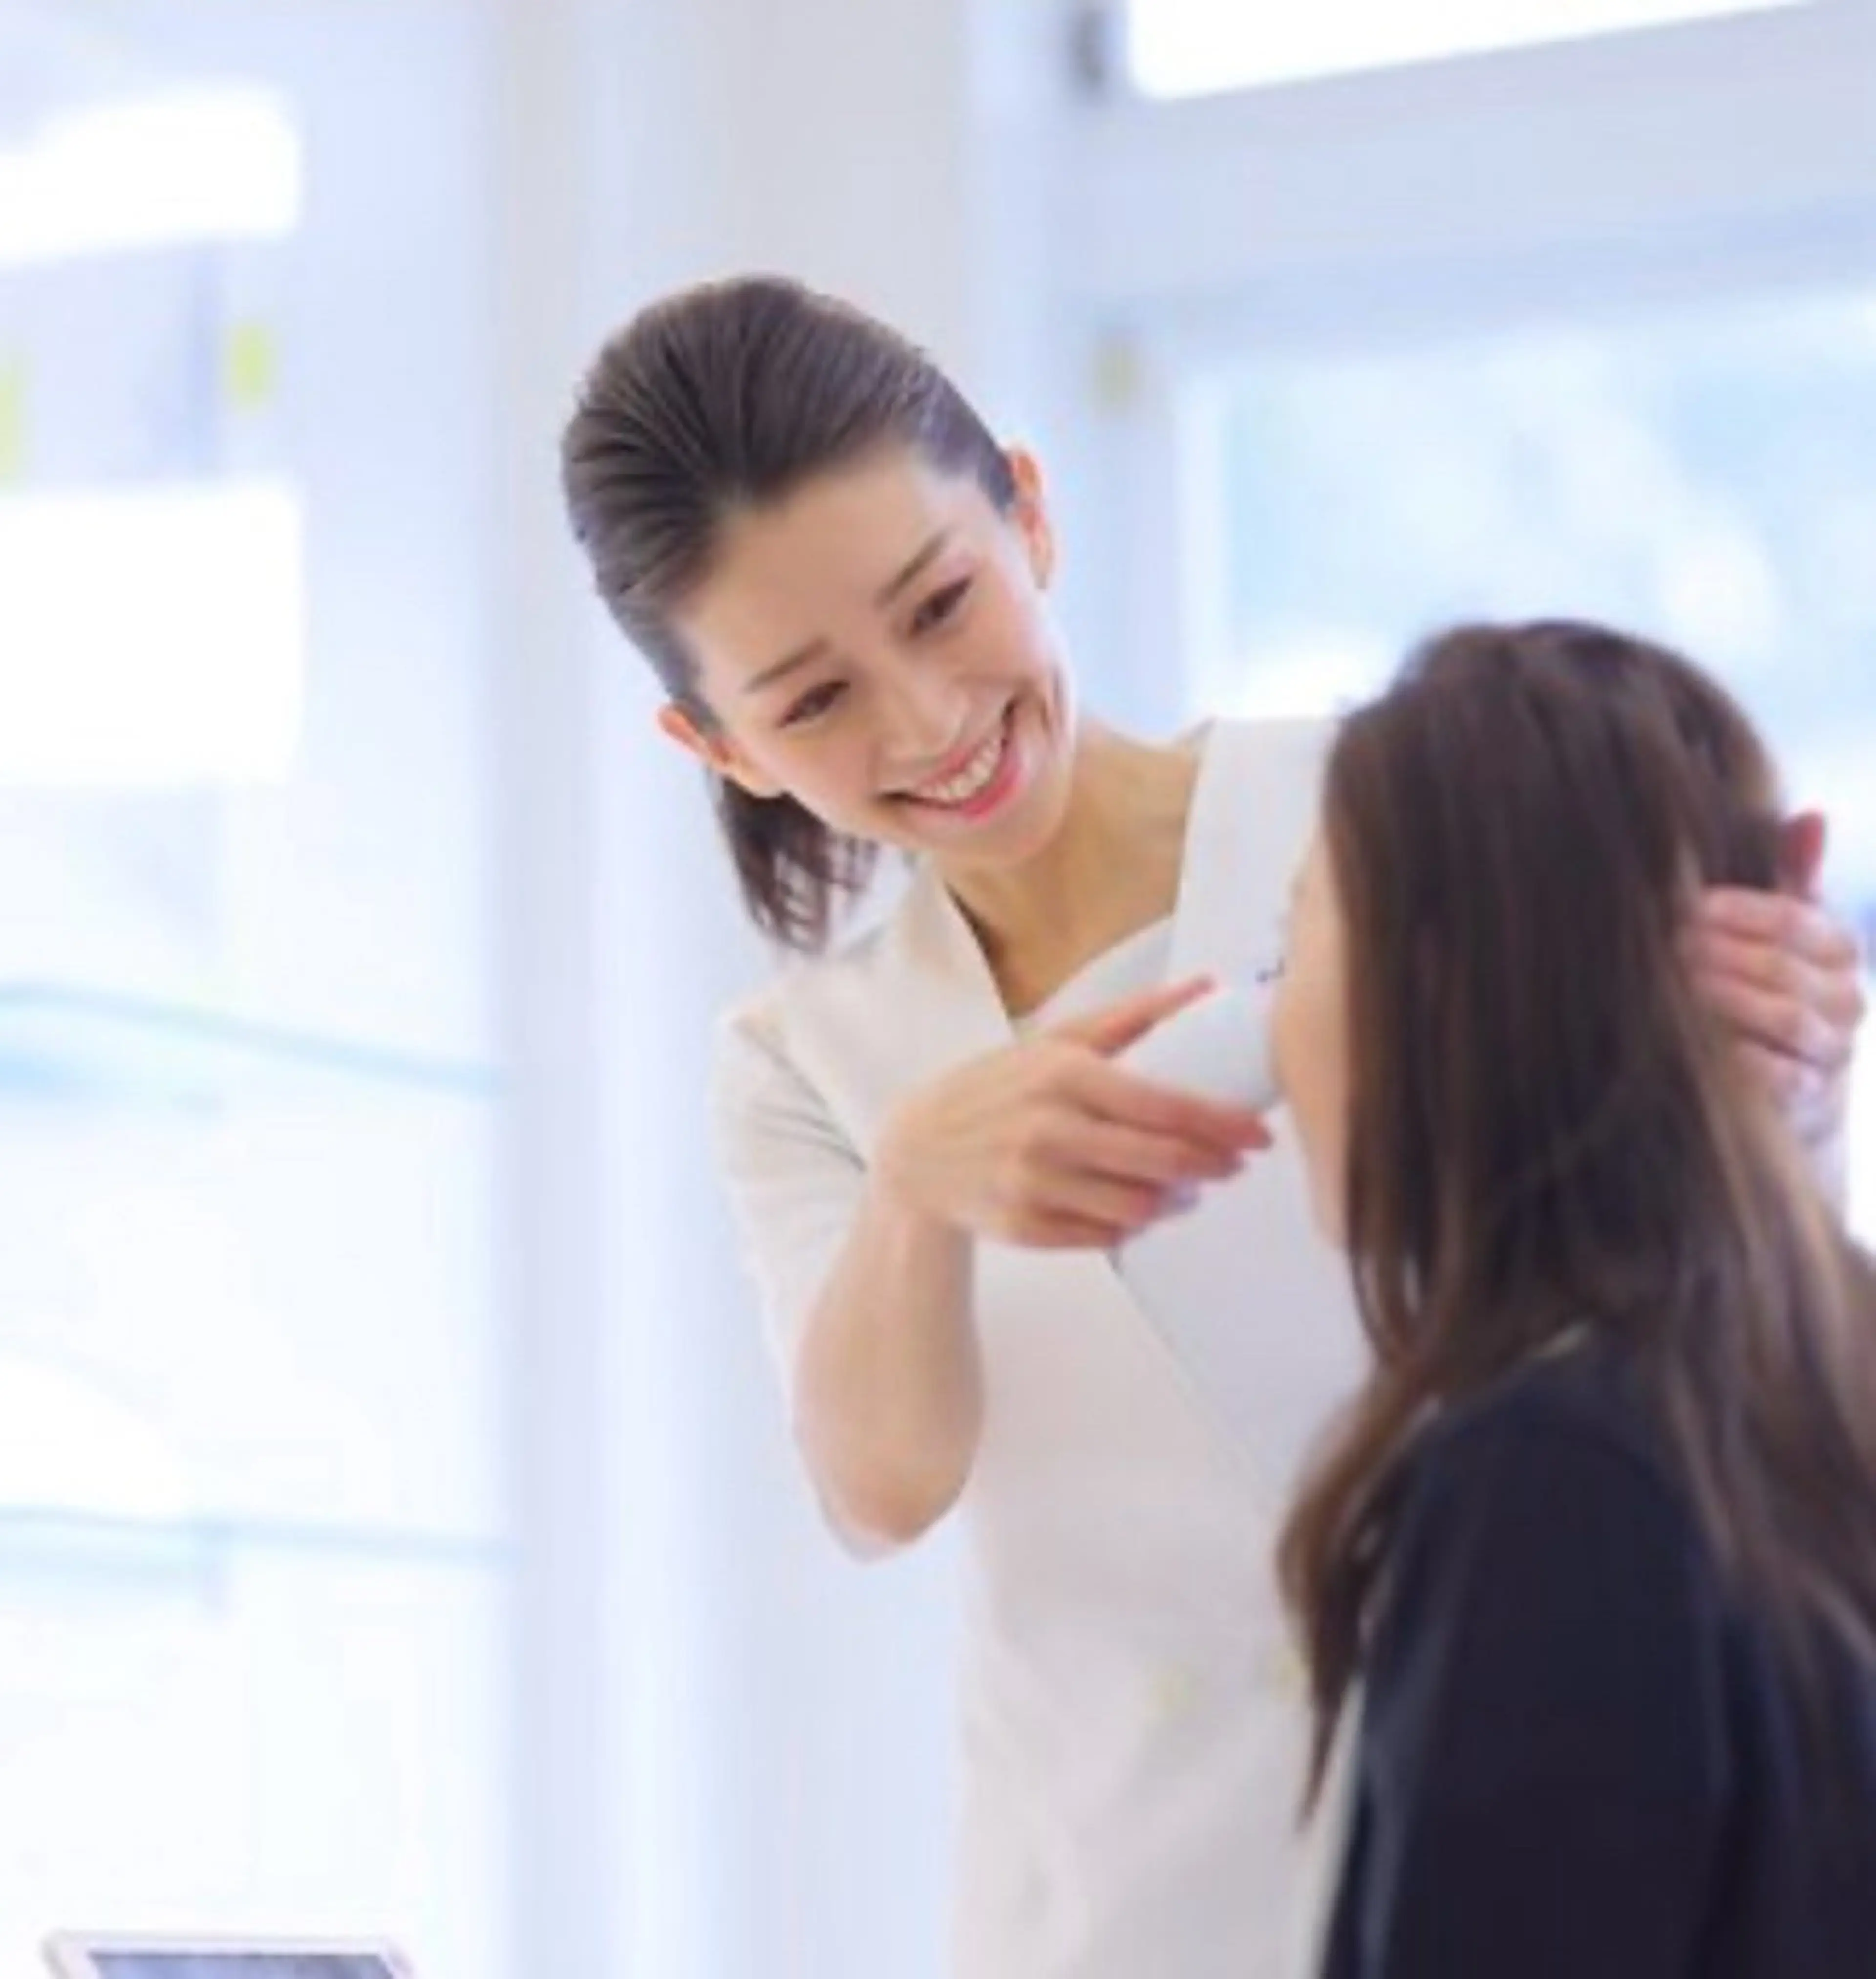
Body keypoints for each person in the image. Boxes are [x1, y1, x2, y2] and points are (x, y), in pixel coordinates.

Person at [558, 276, 1868, 1978]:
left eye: (943, 604)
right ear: (713, 741)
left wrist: (1795, 1069)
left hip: (1527, 1764)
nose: (929, 720)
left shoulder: (1382, 816)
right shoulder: (811, 1063)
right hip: (1115, 1895)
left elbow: (1689, 1251)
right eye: (811, 701)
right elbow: (880, 1488)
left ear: (1029, 513)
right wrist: (915, 1194)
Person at [1269, 621, 1876, 1978]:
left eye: (1290, 934)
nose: (1272, 1025)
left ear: (1433, 983)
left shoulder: (1551, 1484)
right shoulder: (1819, 1367)